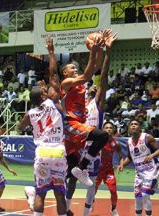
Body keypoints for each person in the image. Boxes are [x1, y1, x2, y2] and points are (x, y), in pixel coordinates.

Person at [17, 36, 67, 216]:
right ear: (45, 96)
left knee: (41, 192)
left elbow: (18, 128)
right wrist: (51, 51)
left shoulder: (30, 113)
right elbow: (54, 74)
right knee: (60, 194)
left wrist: (28, 126)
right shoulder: (53, 102)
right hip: (58, 151)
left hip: (42, 152)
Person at [60, 30, 116, 188]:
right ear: (65, 73)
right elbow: (86, 75)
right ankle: (81, 168)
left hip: (77, 126)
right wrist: (93, 51)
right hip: (71, 124)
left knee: (69, 172)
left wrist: (102, 49)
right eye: (71, 67)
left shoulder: (80, 85)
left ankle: (78, 171)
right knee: (102, 136)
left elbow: (95, 68)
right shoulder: (66, 84)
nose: (74, 68)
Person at [80, 31, 116, 216]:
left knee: (91, 185)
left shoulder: (97, 104)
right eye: (88, 88)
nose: (91, 88)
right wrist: (94, 53)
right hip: (77, 146)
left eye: (93, 88)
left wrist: (106, 52)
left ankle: (86, 213)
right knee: (67, 179)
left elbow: (102, 77)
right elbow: (89, 75)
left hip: (93, 151)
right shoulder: (79, 106)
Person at [122, 120, 159, 216]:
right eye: (131, 124)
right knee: (138, 196)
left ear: (140, 127)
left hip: (151, 170)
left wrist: (151, 156)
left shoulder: (147, 137)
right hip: (139, 173)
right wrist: (122, 164)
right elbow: (129, 157)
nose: (133, 126)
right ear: (129, 128)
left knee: (145, 194)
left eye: (136, 124)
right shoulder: (129, 142)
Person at [94, 122, 124, 216]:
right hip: (97, 170)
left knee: (113, 191)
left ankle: (113, 209)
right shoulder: (97, 141)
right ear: (103, 129)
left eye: (110, 128)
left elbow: (121, 157)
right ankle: (90, 202)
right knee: (93, 190)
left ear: (113, 130)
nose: (108, 129)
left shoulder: (116, 143)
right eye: (106, 127)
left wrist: (121, 164)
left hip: (108, 171)